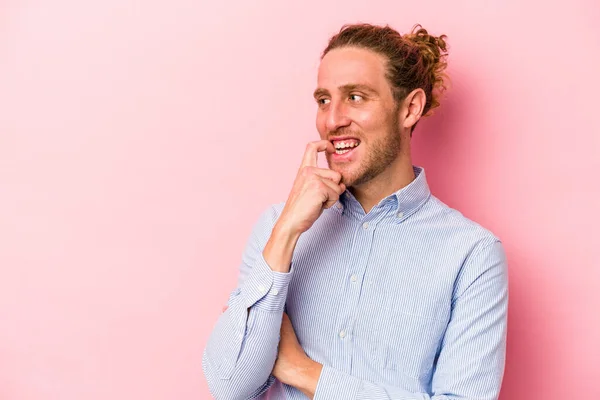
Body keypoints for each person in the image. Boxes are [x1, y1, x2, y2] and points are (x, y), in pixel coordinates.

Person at [202, 23, 508, 400]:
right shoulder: (277, 227)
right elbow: (230, 386)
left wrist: (303, 371)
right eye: (324, 100)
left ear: (410, 108)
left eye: (356, 97)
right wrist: (286, 233)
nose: (332, 121)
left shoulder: (472, 254)